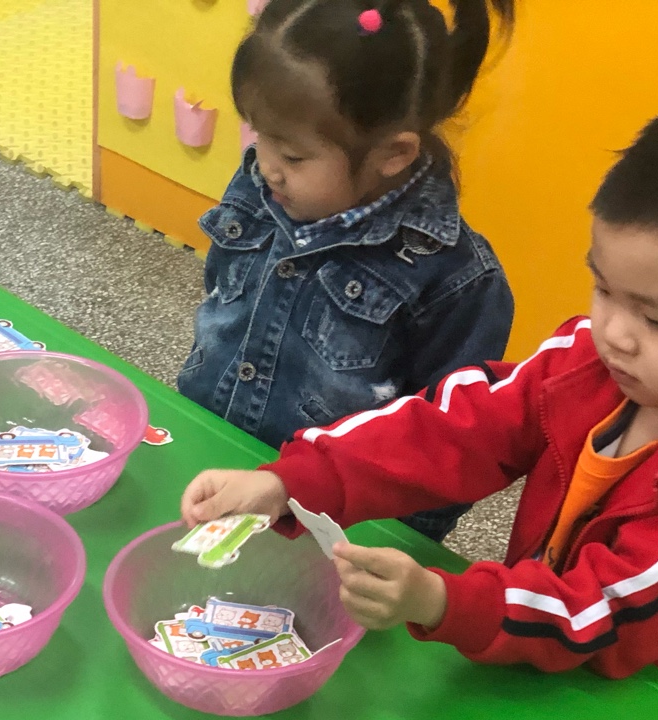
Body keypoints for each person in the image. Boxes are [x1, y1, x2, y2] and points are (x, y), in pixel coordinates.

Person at [180, 79, 658, 720]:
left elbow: (606, 609)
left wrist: (445, 602)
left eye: (657, 320)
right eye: (604, 289)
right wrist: (291, 482)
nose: (614, 333)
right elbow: (453, 428)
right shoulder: (588, 361)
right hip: (558, 660)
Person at [179, 0, 515, 541]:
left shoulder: (458, 283)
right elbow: (223, 301)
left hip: (330, 523)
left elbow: (447, 452)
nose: (267, 167)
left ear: (393, 154)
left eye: (293, 156)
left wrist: (398, 546)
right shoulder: (265, 187)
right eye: (259, 136)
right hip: (210, 457)